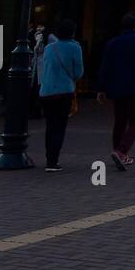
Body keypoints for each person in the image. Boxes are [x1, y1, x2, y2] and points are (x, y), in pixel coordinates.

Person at [96, 13, 135, 170]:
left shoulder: (113, 43)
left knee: (120, 120)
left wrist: (101, 87)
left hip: (117, 87)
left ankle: (117, 150)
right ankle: (122, 151)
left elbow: (105, 66)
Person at [38, 20, 84, 172]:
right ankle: (53, 160)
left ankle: (49, 158)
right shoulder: (75, 47)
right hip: (64, 91)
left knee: (50, 126)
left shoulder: (49, 48)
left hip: (46, 91)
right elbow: (78, 72)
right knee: (60, 125)